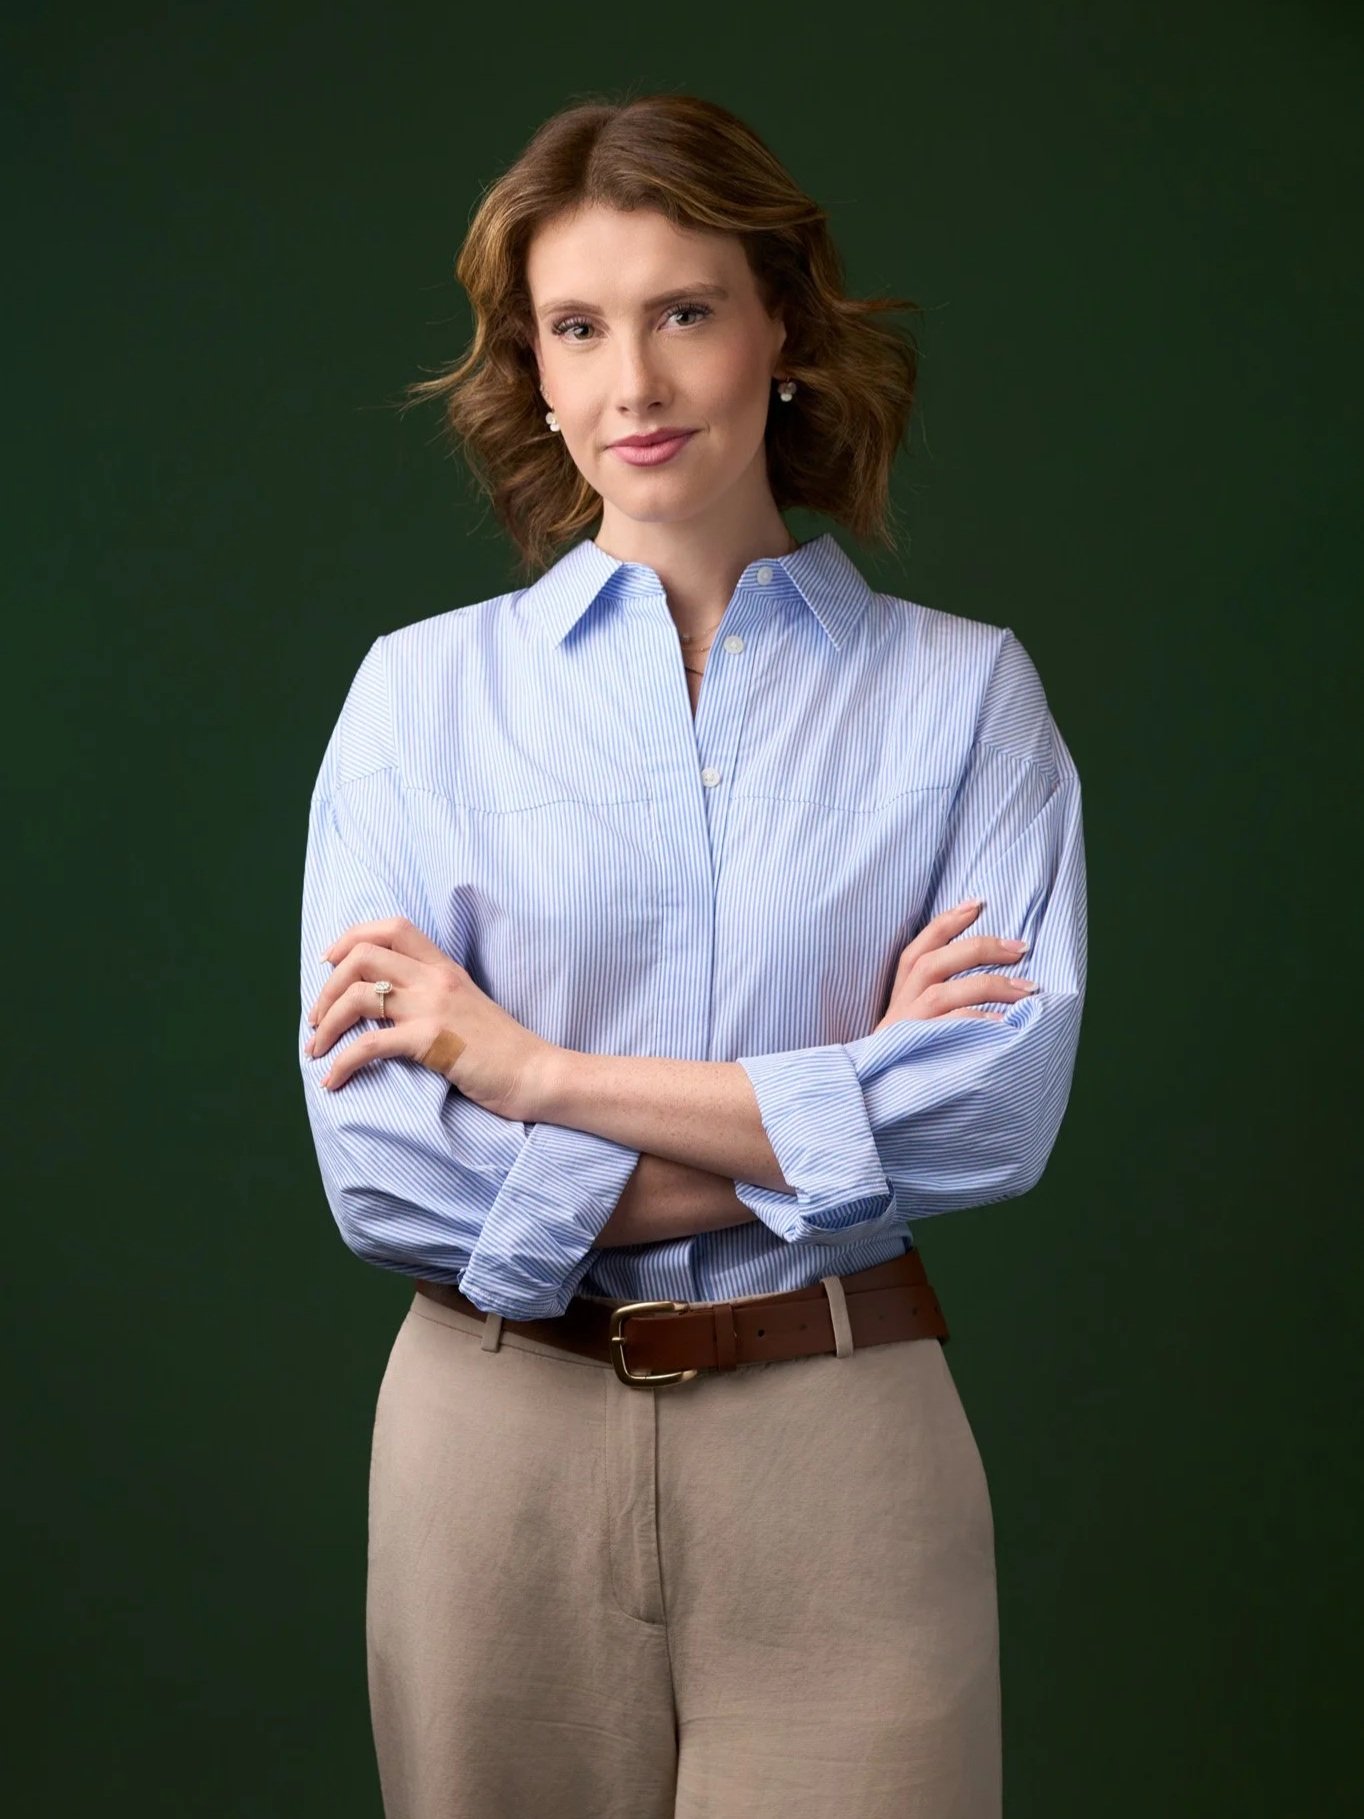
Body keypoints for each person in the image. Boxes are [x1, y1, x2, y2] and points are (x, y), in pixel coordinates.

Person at [297, 90, 1086, 1819]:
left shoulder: (964, 700)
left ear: (783, 326)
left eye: (684, 312)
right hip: (492, 1449)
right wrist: (831, 1114)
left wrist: (528, 1075)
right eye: (577, 328)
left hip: (843, 1442)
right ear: (533, 363)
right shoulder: (417, 700)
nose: (633, 386)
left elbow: (991, 1116)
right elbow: (384, 1171)